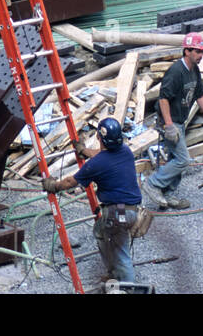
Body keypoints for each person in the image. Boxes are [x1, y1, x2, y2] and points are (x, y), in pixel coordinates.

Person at [42, 117, 144, 286]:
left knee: (121, 251)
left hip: (118, 212)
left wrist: (53, 185)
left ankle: (128, 287)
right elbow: (101, 154)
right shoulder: (125, 151)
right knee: (100, 232)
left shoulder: (96, 164)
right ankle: (114, 275)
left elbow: (70, 182)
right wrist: (84, 150)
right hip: (133, 210)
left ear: (99, 137)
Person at [143, 33, 203, 210]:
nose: (200, 55)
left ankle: (168, 193)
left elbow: (199, 95)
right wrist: (169, 125)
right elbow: (163, 99)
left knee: (174, 157)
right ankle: (153, 184)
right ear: (186, 51)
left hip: (180, 120)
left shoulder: (194, 70)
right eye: (197, 51)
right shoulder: (176, 71)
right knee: (182, 160)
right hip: (170, 122)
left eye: (202, 52)